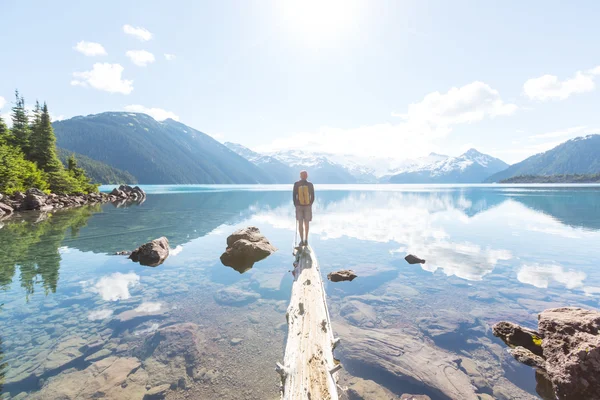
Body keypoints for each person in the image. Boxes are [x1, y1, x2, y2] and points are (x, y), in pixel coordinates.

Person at [293, 170, 314, 247]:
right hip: (307, 206)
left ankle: (302, 240)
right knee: (306, 223)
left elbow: (294, 196)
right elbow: (312, 196)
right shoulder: (310, 184)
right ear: (307, 176)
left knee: (300, 223)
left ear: (300, 176)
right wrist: (309, 204)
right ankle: (306, 240)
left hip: (299, 206)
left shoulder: (296, 184)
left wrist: (296, 205)